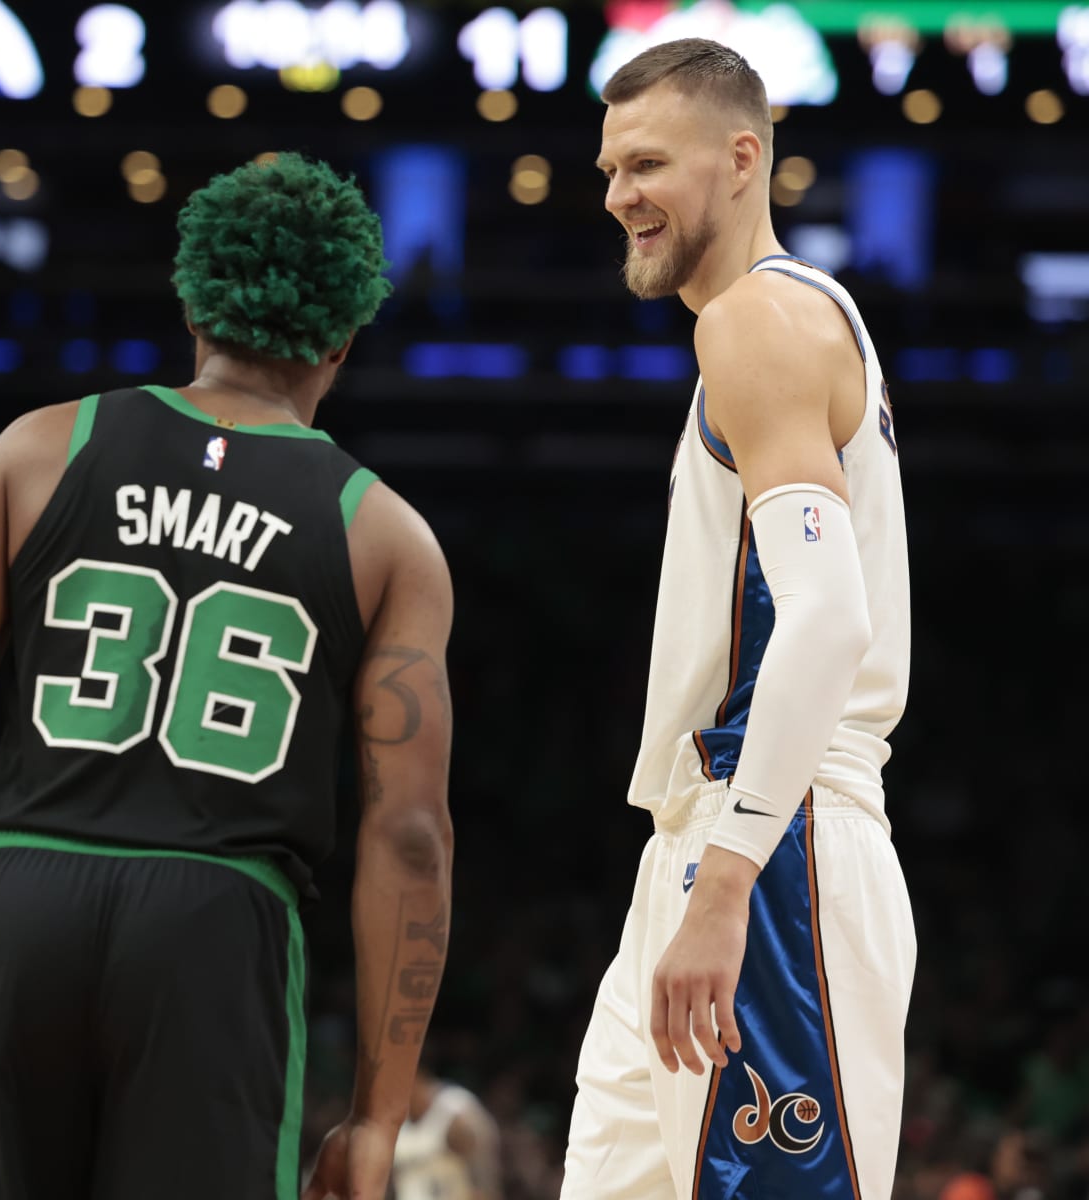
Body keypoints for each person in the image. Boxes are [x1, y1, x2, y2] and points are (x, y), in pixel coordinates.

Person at [0, 152, 456, 1199]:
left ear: (192, 298)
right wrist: (375, 1117)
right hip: (217, 926)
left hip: (16, 902)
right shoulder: (387, 535)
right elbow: (408, 834)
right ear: (343, 336)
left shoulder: (39, 449)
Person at [564, 38, 917, 1199]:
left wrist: (726, 882)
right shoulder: (779, 325)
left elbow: (824, 621)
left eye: (648, 163)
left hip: (772, 845)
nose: (620, 195)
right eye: (611, 168)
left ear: (741, 157)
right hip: (716, 845)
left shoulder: (758, 321)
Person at [391, 1065, 503, 1200]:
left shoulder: (452, 1109)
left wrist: (486, 1191)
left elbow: (483, 1159)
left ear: (417, 1080)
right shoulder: (394, 1118)